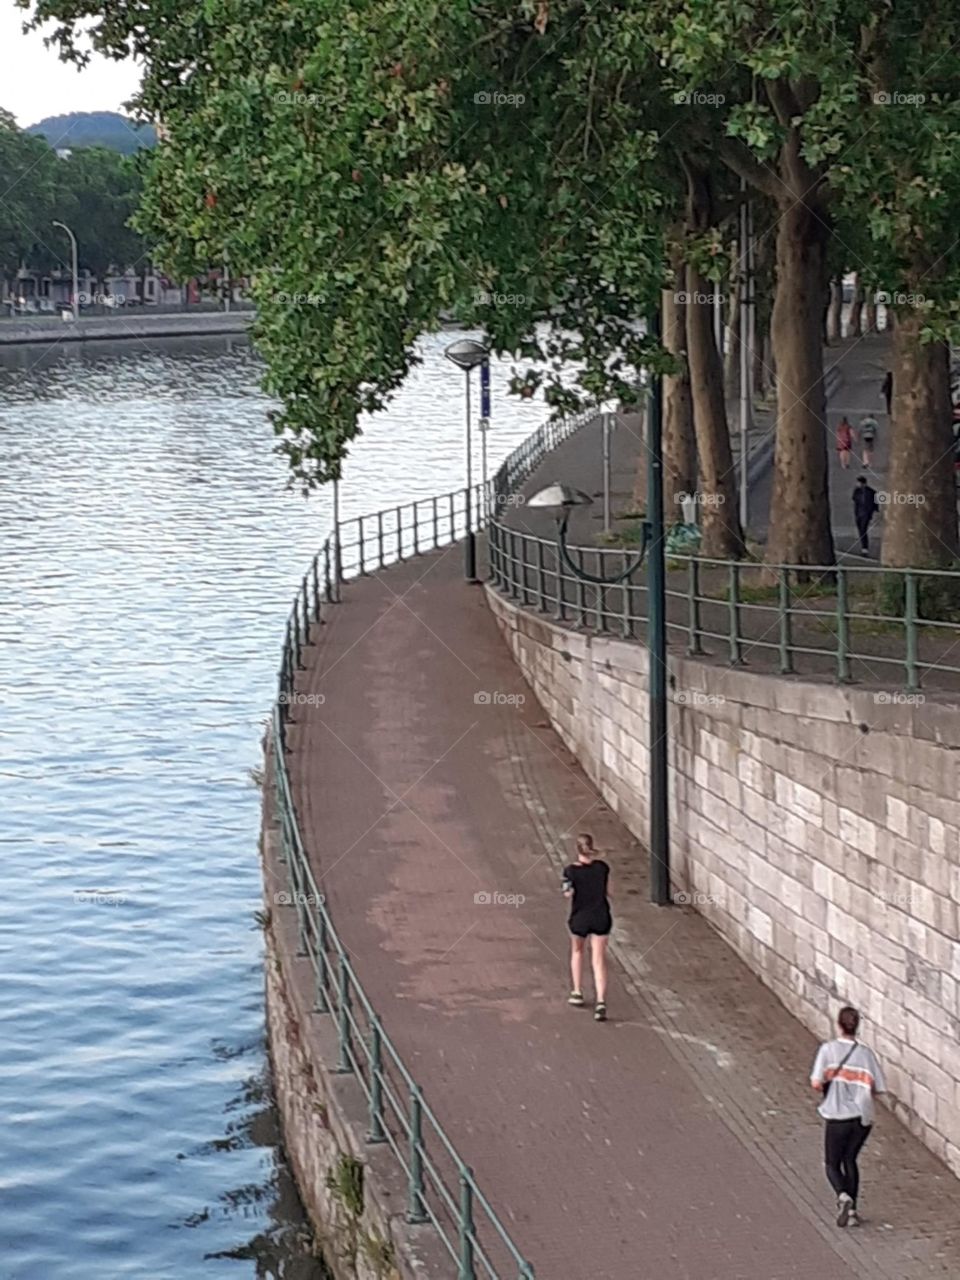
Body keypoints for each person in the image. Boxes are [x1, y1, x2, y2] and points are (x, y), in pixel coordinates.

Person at [811, 1006, 886, 1228]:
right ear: (857, 1027)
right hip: (862, 1118)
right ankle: (852, 1212)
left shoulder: (828, 1050)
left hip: (837, 1116)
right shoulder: (866, 1054)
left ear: (838, 1025)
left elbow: (816, 1083)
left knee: (832, 1163)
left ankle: (843, 1196)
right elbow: (878, 1087)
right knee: (850, 1159)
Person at [562, 834, 612, 1021]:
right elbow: (609, 892)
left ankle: (577, 991)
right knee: (599, 959)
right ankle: (600, 1001)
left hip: (580, 918)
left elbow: (567, 893)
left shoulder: (570, 871)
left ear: (577, 850)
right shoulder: (602, 868)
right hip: (601, 916)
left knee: (577, 952)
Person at [852, 476, 878, 556]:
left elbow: (874, 504)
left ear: (863, 483)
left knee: (863, 530)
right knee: (861, 530)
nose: (857, 484)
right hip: (858, 513)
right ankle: (863, 547)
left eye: (859, 483)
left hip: (865, 514)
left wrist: (872, 513)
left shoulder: (871, 492)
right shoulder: (857, 491)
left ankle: (864, 548)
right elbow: (854, 500)